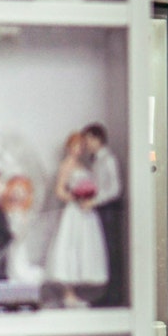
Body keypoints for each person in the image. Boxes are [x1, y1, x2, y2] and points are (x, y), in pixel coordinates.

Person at [46, 131, 108, 308]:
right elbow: (59, 190)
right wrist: (76, 197)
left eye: (81, 146)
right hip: (74, 211)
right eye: (75, 146)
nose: (78, 149)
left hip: (85, 211)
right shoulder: (67, 165)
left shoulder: (83, 165)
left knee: (83, 247)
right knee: (70, 247)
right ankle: (68, 293)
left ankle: (77, 292)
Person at [81, 122, 123, 307]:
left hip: (108, 211)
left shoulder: (108, 160)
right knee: (102, 252)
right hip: (100, 210)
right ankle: (105, 294)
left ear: (98, 139)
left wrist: (95, 201)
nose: (86, 143)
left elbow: (114, 189)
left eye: (89, 139)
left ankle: (113, 296)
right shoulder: (95, 160)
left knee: (111, 251)